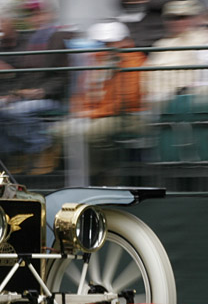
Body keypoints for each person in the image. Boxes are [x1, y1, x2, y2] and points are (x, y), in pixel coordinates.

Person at [0, 0, 70, 174]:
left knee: (15, 112)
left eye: (40, 14)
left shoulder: (59, 38)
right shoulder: (31, 39)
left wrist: (42, 91)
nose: (36, 19)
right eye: (32, 15)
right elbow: (23, 74)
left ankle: (43, 147)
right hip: (27, 95)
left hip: (52, 97)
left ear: (50, 15)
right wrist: (14, 93)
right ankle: (15, 152)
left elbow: (63, 77)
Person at [55, 20, 147, 186]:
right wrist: (79, 111)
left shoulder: (134, 61)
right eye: (103, 42)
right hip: (99, 114)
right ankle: (79, 176)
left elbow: (127, 100)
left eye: (110, 42)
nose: (105, 46)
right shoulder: (96, 61)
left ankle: (96, 177)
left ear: (124, 41)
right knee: (60, 131)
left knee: (92, 133)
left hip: (129, 115)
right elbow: (81, 92)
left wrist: (91, 114)